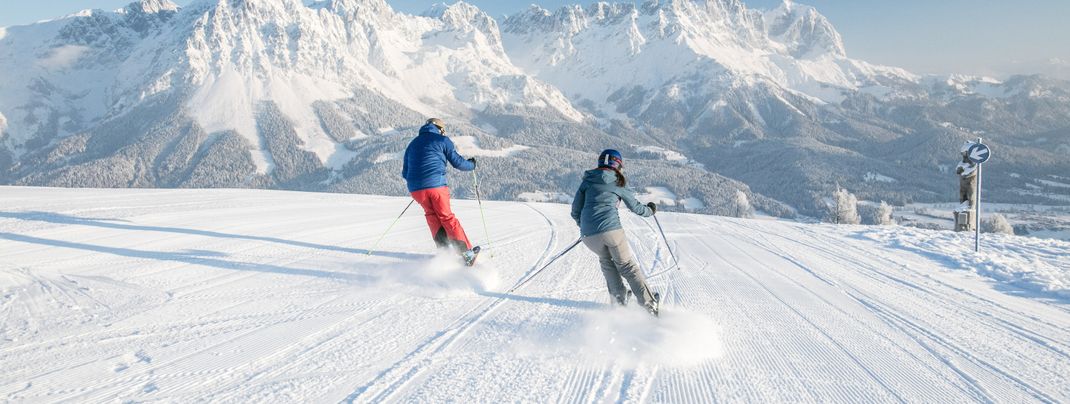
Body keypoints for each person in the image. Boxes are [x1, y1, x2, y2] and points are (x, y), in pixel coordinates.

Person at [571, 149, 661, 316]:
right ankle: (649, 305)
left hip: (589, 236)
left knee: (606, 262)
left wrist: (585, 226)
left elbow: (575, 211)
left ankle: (619, 302)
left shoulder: (587, 181)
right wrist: (650, 210)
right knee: (626, 266)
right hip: (611, 230)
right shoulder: (618, 182)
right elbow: (636, 207)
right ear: (618, 165)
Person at [402, 118, 480, 266]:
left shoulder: (412, 144)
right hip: (436, 186)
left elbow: (405, 172)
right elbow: (458, 163)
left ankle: (444, 253)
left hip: (415, 189)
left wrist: (419, 184)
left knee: (431, 215)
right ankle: (467, 254)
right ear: (440, 129)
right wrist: (472, 165)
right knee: (446, 217)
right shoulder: (442, 140)